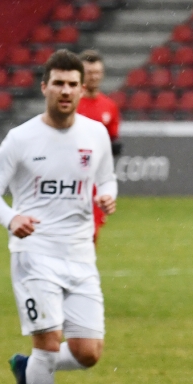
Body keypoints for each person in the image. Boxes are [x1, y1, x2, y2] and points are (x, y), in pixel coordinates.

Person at [0, 50, 116, 384]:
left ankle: (26, 368)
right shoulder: (21, 138)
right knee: (49, 343)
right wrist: (10, 218)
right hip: (34, 253)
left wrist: (107, 196)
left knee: (88, 354)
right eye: (58, 83)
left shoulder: (95, 134)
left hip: (80, 254)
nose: (66, 90)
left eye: (73, 83)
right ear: (45, 87)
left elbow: (107, 180)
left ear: (81, 87)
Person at [76, 49, 121, 245]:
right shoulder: (70, 103)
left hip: (95, 180)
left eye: (97, 72)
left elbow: (111, 140)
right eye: (89, 72)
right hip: (71, 176)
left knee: (92, 231)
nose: (94, 77)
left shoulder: (109, 106)